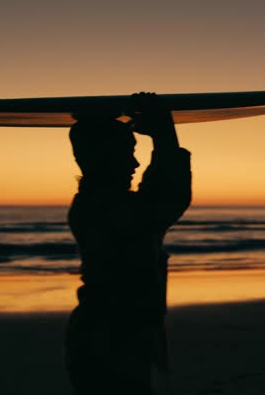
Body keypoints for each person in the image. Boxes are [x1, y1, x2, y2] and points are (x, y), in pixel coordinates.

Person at [65, 95, 191, 395]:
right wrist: (163, 134)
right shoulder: (104, 208)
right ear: (104, 157)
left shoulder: (95, 203)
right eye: (127, 152)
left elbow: (157, 198)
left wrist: (162, 135)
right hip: (110, 337)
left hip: (109, 332)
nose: (135, 161)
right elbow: (166, 198)